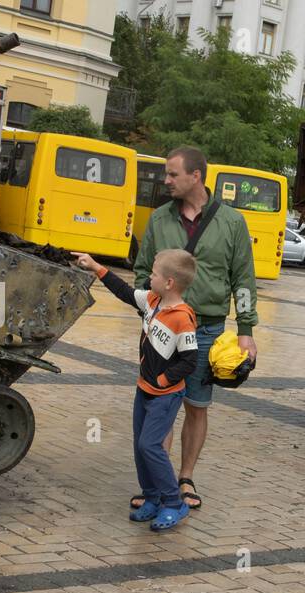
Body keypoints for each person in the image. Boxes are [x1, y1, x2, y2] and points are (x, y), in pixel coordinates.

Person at [131, 146, 259, 512]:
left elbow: (244, 279)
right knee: (159, 405)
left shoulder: (232, 222)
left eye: (172, 174)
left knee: (197, 406)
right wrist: (152, 313)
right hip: (163, 333)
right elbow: (142, 271)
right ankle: (161, 483)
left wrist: (246, 329)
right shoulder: (158, 219)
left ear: (196, 176)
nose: (165, 180)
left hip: (208, 331)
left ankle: (185, 477)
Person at [73, 248, 199, 532]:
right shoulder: (152, 301)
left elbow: (190, 360)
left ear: (169, 282)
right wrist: (96, 266)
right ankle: (152, 497)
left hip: (165, 395)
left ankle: (173, 502)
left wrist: (165, 380)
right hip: (144, 390)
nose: (149, 277)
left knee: (150, 445)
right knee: (139, 446)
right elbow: (125, 292)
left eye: (154, 274)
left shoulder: (183, 317)